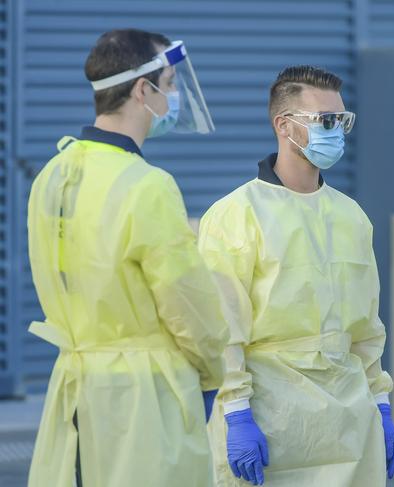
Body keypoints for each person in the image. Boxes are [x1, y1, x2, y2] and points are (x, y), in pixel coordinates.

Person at [27, 29, 231, 487]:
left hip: (75, 391)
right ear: (144, 89)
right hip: (145, 398)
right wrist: (217, 369)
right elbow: (189, 304)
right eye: (171, 82)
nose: (174, 95)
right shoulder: (146, 185)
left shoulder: (53, 175)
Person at [198, 65, 394, 486]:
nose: (337, 131)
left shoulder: (351, 217)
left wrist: (380, 402)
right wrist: (236, 412)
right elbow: (221, 328)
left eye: (342, 121)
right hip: (271, 417)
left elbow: (366, 329)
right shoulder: (236, 215)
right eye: (325, 121)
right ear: (284, 125)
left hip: (349, 423)